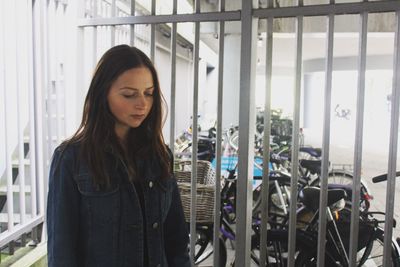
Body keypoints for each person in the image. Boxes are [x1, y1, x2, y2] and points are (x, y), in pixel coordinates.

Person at [46, 45, 191, 267]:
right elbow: (62, 250)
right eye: (129, 94)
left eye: (149, 93)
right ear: (103, 93)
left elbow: (176, 239)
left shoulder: (159, 155)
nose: (142, 104)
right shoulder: (71, 159)